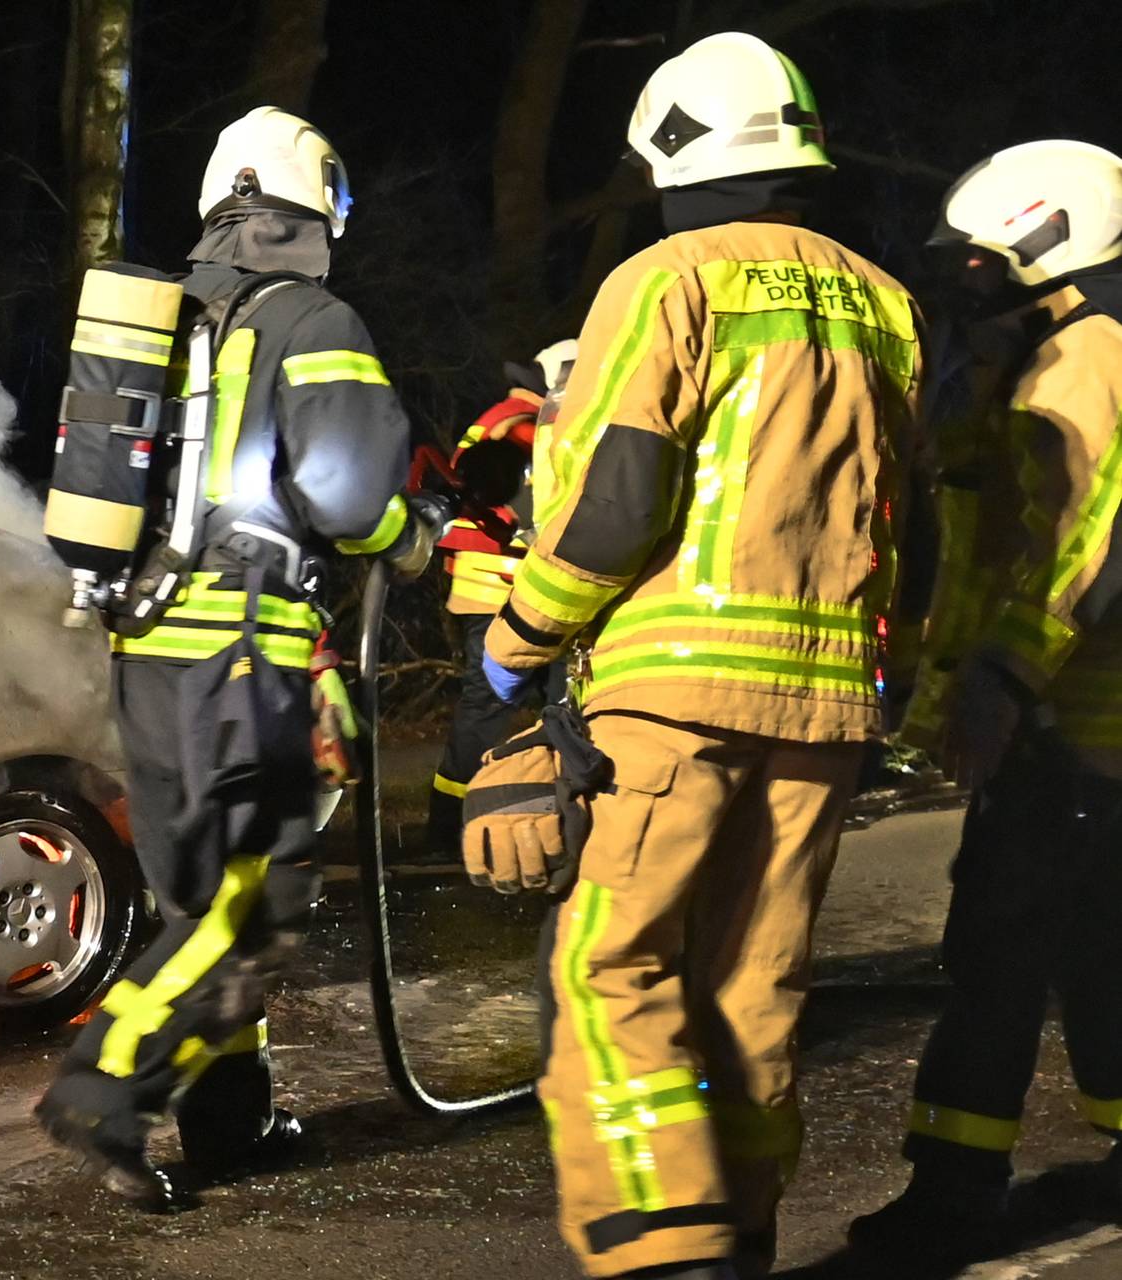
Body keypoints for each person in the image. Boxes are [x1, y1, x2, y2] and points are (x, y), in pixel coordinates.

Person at [470, 32, 920, 1278]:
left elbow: (618, 500)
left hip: (672, 698)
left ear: (672, 151)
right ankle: (742, 1233)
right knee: (753, 985)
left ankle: (669, 1249)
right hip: (829, 709)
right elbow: (914, 523)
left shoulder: (666, 278)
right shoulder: (889, 303)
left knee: (611, 969)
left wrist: (517, 640)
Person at [35, 105, 431, 1212]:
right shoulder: (313, 318)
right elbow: (348, 496)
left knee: (200, 898)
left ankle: (230, 1120)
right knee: (255, 893)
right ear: (315, 211)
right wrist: (411, 537)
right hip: (243, 652)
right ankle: (106, 1085)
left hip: (147, 645)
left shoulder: (169, 314)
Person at [850, 138, 1122, 1255]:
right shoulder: (1043, 359)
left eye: (976, 263)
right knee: (1095, 947)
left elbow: (1086, 542)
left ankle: (955, 1191)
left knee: (998, 949)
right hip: (1072, 724)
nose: (962, 287)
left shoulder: (1087, 357)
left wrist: (1004, 675)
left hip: (1072, 721)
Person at [428, 339, 577, 847]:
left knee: (493, 706)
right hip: (509, 589)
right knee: (510, 704)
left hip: (494, 588)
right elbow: (536, 505)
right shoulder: (525, 424)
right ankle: (454, 826)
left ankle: (451, 825)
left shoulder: (504, 417)